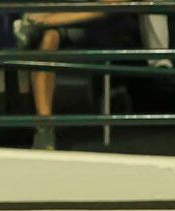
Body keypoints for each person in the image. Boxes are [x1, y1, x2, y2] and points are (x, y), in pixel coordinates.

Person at [15, 3, 133, 150]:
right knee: (48, 38)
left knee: (42, 31)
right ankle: (45, 127)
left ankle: (30, 30)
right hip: (64, 23)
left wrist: (51, 20)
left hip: (103, 27)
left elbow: (109, 6)